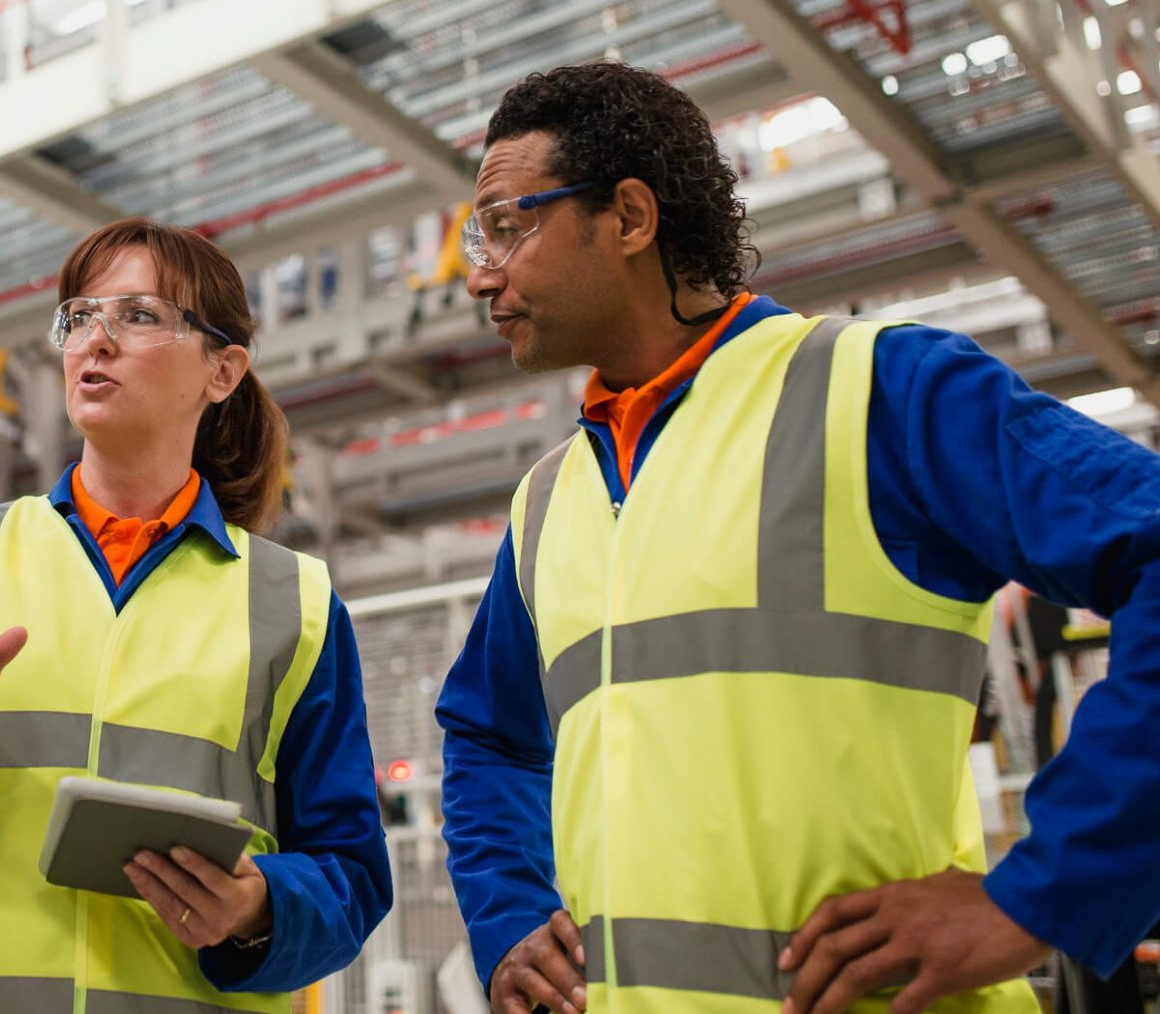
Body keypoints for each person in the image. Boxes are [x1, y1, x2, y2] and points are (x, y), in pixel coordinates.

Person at [435, 61, 1160, 1014]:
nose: (482, 271)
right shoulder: (546, 502)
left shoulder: (878, 394)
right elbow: (488, 734)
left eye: (506, 225)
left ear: (629, 218)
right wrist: (509, 916)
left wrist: (1037, 898)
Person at [0, 217, 391, 1012]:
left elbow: (353, 877)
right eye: (79, 317)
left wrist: (259, 904)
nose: (95, 340)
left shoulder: (295, 605)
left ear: (223, 370)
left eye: (139, 315)